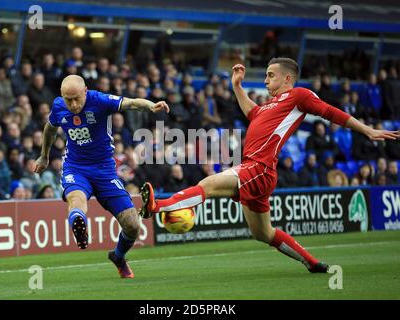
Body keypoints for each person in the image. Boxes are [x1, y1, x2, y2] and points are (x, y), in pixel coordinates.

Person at [139, 58, 400, 274]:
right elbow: (252, 112)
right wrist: (237, 86)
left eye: (270, 75)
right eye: (265, 76)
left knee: (208, 184)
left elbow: (331, 112)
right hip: (258, 171)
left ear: (287, 78)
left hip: (259, 168)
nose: (265, 80)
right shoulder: (268, 106)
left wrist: (367, 130)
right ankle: (311, 262)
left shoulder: (299, 95)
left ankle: (157, 205)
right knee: (262, 233)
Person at [34, 75, 169, 279]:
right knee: (76, 198)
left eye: (76, 98)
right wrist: (44, 156)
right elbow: (50, 129)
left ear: (85, 91)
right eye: (67, 99)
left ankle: (118, 256)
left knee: (133, 225)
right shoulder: (59, 106)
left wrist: (151, 106)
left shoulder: (100, 100)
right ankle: (79, 224)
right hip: (75, 167)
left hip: (105, 170)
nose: (72, 104)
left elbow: (131, 103)